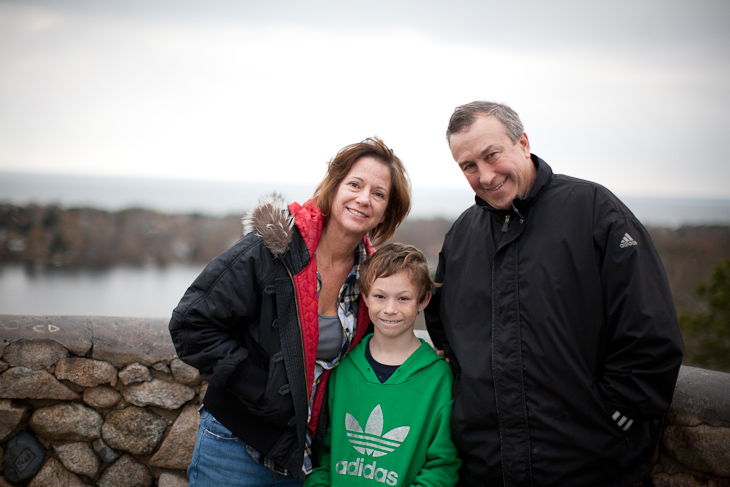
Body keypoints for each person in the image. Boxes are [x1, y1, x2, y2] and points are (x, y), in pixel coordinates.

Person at [425, 101, 685, 487]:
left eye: (491, 155)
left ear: (523, 143)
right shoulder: (462, 236)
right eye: (469, 166)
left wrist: (613, 416)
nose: (485, 175)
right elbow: (447, 337)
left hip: (590, 465)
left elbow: (650, 329)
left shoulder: (595, 212)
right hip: (487, 468)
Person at [169, 136, 411, 486]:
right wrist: (263, 390)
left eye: (378, 193)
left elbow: (375, 350)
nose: (363, 198)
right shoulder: (273, 248)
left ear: (387, 210)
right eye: (355, 185)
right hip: (236, 446)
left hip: (304, 456)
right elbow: (191, 324)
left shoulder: (372, 277)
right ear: (334, 187)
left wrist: (426, 357)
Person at [305, 243, 461, 487]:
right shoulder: (343, 365)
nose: (390, 309)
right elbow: (324, 453)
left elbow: (441, 466)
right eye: (380, 296)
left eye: (403, 298)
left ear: (423, 300)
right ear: (365, 296)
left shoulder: (437, 376)